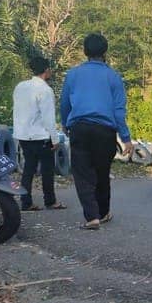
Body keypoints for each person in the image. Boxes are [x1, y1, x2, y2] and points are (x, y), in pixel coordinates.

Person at [61, 33, 132, 230]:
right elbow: (119, 111)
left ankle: (91, 217)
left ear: (85, 52)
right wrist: (126, 138)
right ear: (105, 51)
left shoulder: (73, 74)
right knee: (102, 172)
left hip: (80, 128)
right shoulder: (114, 76)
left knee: (83, 173)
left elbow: (65, 103)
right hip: (105, 131)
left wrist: (65, 124)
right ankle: (103, 213)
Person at [12, 53, 66, 211]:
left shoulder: (20, 87)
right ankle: (50, 201)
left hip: (22, 134)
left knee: (28, 168)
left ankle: (26, 202)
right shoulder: (45, 90)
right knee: (48, 169)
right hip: (40, 135)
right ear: (46, 70)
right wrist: (55, 139)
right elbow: (48, 118)